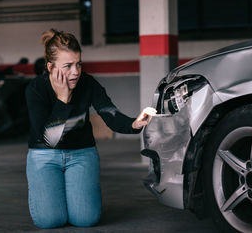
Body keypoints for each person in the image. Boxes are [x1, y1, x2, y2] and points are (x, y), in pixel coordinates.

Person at [25, 28, 156, 229]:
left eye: (78, 64)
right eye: (67, 66)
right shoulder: (36, 89)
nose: (76, 72)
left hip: (81, 154)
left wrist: (134, 123)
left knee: (85, 220)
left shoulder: (87, 83)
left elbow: (110, 113)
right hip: (44, 156)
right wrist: (63, 98)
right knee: (50, 221)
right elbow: (49, 140)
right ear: (51, 67)